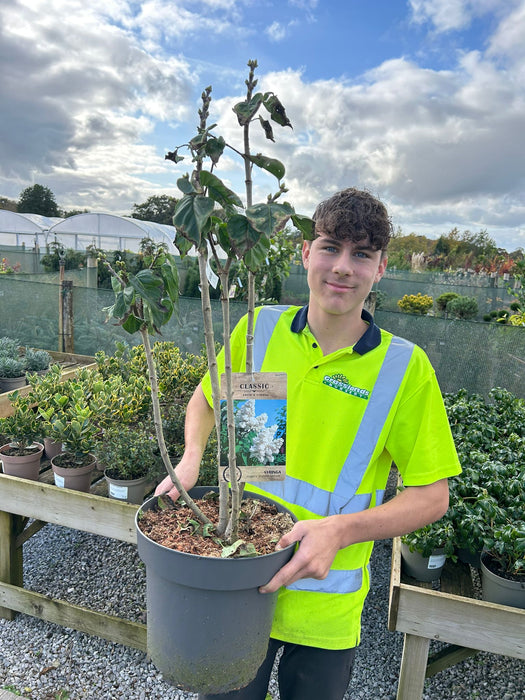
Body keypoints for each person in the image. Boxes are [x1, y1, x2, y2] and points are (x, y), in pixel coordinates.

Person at [155, 187, 462, 700]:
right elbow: (207, 401)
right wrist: (191, 459)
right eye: (330, 247)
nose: (342, 267)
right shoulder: (261, 329)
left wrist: (341, 530)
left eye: (361, 253)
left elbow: (432, 497)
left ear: (381, 267)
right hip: (237, 579)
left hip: (324, 607)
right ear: (305, 253)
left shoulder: (403, 369)